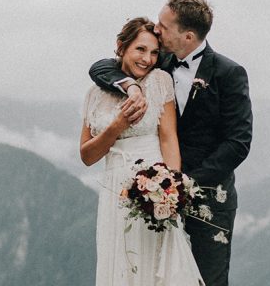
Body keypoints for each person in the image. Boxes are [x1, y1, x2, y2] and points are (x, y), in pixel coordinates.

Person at [89, 0, 252, 286]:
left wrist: (181, 184)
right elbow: (101, 67)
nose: (156, 29)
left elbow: (238, 142)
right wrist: (131, 87)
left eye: (163, 26)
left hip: (207, 197)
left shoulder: (229, 74)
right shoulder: (155, 61)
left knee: (206, 280)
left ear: (187, 36)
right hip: (150, 194)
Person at [81, 16, 205, 286]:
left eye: (153, 52)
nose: (147, 59)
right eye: (140, 49)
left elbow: (169, 138)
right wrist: (118, 125)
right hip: (114, 191)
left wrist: (172, 189)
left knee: (154, 265)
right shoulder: (94, 94)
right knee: (119, 265)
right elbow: (87, 156)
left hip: (153, 189)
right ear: (121, 47)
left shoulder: (160, 81)